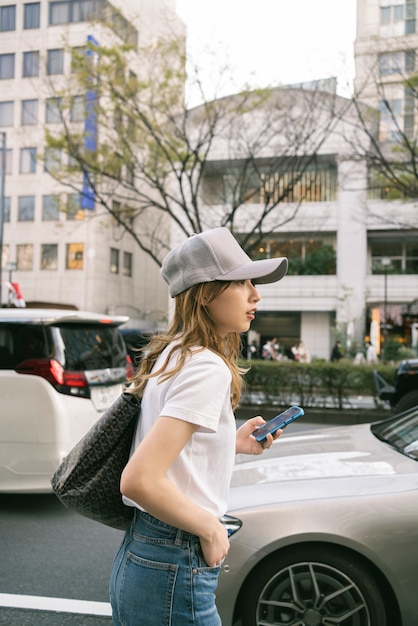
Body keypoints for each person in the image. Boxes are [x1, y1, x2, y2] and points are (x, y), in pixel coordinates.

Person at [109, 227, 288, 626]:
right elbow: (138, 479)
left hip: (145, 551)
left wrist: (231, 442)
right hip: (175, 556)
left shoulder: (172, 354)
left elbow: (169, 452)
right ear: (205, 292)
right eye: (242, 282)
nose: (255, 295)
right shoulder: (207, 367)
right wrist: (211, 529)